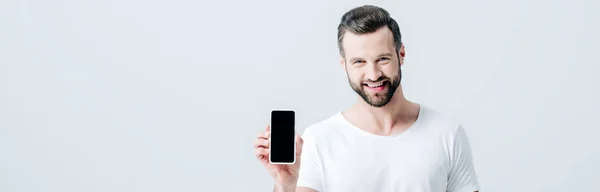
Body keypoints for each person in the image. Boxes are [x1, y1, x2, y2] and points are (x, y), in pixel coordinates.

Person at [253, 5, 480, 192]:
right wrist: (285, 183)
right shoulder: (319, 140)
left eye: (382, 59)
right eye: (359, 62)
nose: (373, 75)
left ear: (401, 54)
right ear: (344, 65)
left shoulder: (447, 134)